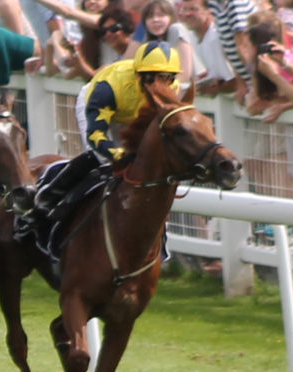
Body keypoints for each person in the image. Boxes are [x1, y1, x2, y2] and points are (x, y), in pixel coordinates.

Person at [27, 42, 186, 231]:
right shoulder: (108, 87)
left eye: (166, 78)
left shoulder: (172, 90)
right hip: (98, 105)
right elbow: (96, 136)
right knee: (101, 158)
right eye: (153, 77)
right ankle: (49, 197)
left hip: (131, 114)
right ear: (139, 74)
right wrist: (119, 155)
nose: (159, 85)